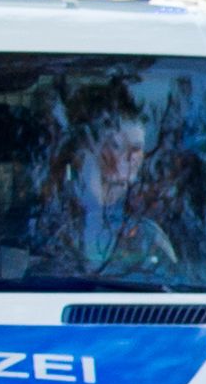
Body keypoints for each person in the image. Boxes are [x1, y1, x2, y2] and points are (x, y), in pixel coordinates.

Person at [25, 109, 185, 283]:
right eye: (118, 146)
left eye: (137, 148)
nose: (130, 156)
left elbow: (171, 284)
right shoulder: (56, 210)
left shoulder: (151, 220)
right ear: (92, 152)